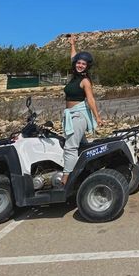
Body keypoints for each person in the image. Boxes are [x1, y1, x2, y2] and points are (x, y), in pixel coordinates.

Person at [58, 34, 103, 186]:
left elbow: (90, 99)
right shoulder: (74, 76)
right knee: (82, 146)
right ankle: (86, 173)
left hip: (78, 116)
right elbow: (73, 58)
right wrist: (72, 44)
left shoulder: (85, 81)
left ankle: (66, 181)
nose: (80, 65)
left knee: (70, 147)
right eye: (79, 62)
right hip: (71, 115)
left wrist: (97, 118)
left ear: (87, 66)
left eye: (84, 64)